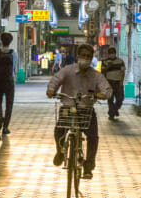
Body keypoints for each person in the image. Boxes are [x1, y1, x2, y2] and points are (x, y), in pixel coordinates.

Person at [46, 43, 112, 179]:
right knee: (59, 130)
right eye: (84, 56)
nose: (86, 59)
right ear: (78, 56)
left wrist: (103, 94)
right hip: (68, 108)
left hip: (86, 110)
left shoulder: (96, 75)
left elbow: (106, 88)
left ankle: (88, 166)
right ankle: (60, 152)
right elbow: (56, 79)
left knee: (93, 137)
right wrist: (51, 90)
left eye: (89, 56)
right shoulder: (68, 70)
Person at [0, 32, 16, 135]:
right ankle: (5, 127)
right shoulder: (13, 53)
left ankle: (0, 117)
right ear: (10, 41)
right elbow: (15, 67)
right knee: (9, 104)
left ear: (1, 40)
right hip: (9, 80)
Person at [100, 46, 126, 120]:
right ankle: (112, 113)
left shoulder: (120, 61)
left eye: (113, 53)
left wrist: (121, 82)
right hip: (109, 82)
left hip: (118, 82)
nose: (112, 54)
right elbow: (102, 72)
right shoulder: (104, 61)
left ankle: (113, 110)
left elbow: (122, 72)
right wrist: (108, 66)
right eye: (110, 53)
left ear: (115, 53)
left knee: (120, 98)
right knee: (110, 99)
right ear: (108, 54)